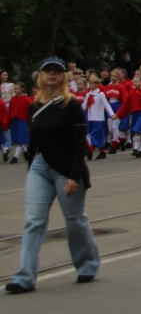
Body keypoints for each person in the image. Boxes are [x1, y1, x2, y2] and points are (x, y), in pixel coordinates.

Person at [5, 57, 101, 294]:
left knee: (74, 220)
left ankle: (87, 263)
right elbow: (34, 140)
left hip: (66, 169)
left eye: (57, 71)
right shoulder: (33, 106)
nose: (52, 74)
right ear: (41, 76)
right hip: (40, 167)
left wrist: (73, 175)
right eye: (47, 71)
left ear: (63, 77)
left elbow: (80, 144)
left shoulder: (71, 106)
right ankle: (25, 276)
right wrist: (31, 169)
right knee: (33, 221)